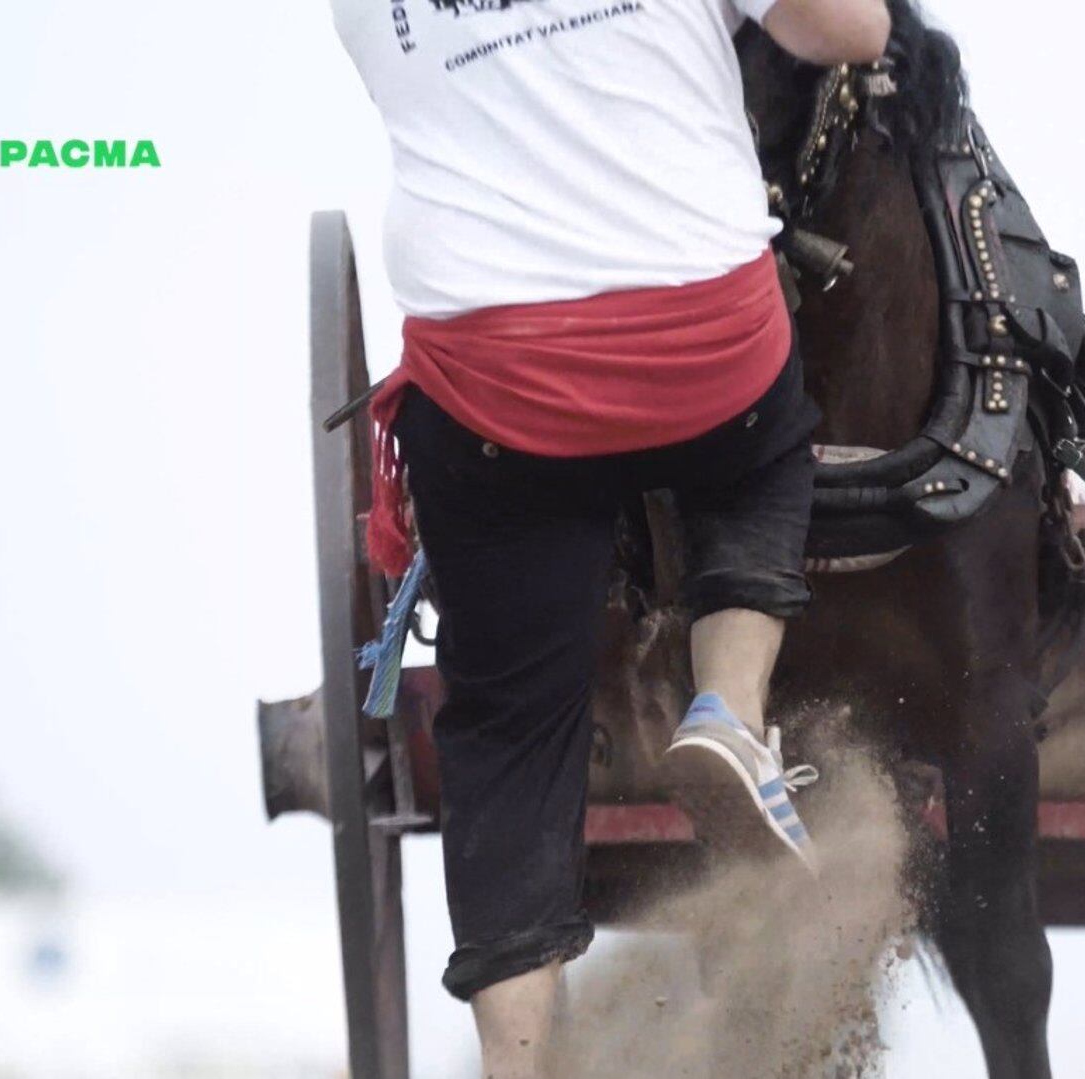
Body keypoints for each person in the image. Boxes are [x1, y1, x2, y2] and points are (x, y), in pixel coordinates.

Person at [326, 0, 891, 1073]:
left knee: (503, 729)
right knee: (769, 448)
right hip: (700, 343)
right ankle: (728, 707)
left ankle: (520, 1061)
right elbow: (853, 30)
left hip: (498, 379)